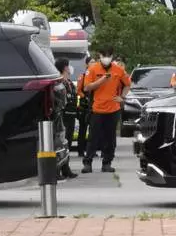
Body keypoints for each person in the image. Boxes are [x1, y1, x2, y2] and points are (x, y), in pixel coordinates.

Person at [79, 46, 131, 174]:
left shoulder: (118, 70)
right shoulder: (92, 69)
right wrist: (102, 80)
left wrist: (122, 97)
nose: (106, 58)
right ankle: (88, 163)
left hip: (113, 109)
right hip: (97, 109)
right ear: (99, 56)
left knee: (110, 138)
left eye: (109, 56)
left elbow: (128, 84)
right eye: (104, 56)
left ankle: (107, 163)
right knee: (93, 137)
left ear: (112, 57)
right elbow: (87, 88)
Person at [54, 57, 80, 180]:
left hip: (71, 115)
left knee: (67, 143)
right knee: (59, 144)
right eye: (68, 65)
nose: (70, 68)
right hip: (63, 116)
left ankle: (66, 168)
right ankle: (57, 169)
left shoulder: (68, 81)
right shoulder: (59, 82)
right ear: (65, 67)